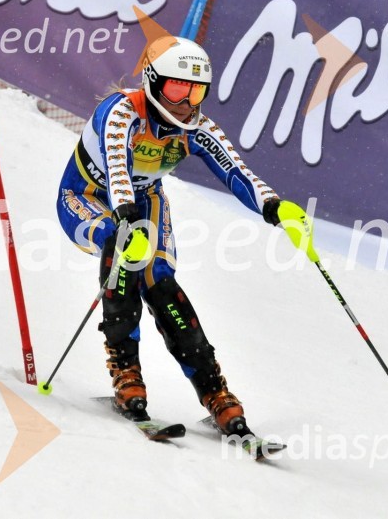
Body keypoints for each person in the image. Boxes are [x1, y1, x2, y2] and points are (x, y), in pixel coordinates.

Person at [56, 36, 309, 435]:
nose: (186, 102)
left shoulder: (196, 126)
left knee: (159, 280)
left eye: (196, 90)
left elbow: (236, 172)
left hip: (145, 199)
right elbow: (118, 167)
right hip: (87, 196)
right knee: (121, 248)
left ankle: (217, 395)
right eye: (177, 87)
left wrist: (276, 208)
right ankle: (127, 378)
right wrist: (124, 219)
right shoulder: (122, 110)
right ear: (153, 82)